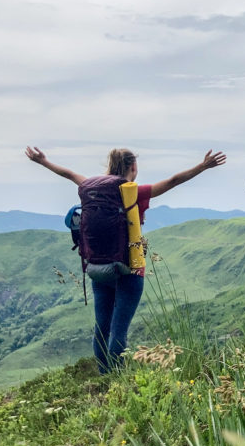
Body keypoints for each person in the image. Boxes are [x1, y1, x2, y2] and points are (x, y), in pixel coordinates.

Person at [25, 146, 227, 372]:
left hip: (98, 267)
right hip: (130, 269)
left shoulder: (89, 186)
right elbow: (173, 181)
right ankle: (117, 379)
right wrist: (203, 166)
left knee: (101, 328)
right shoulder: (133, 192)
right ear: (133, 167)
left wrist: (43, 162)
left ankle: (104, 377)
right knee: (119, 329)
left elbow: (69, 174)